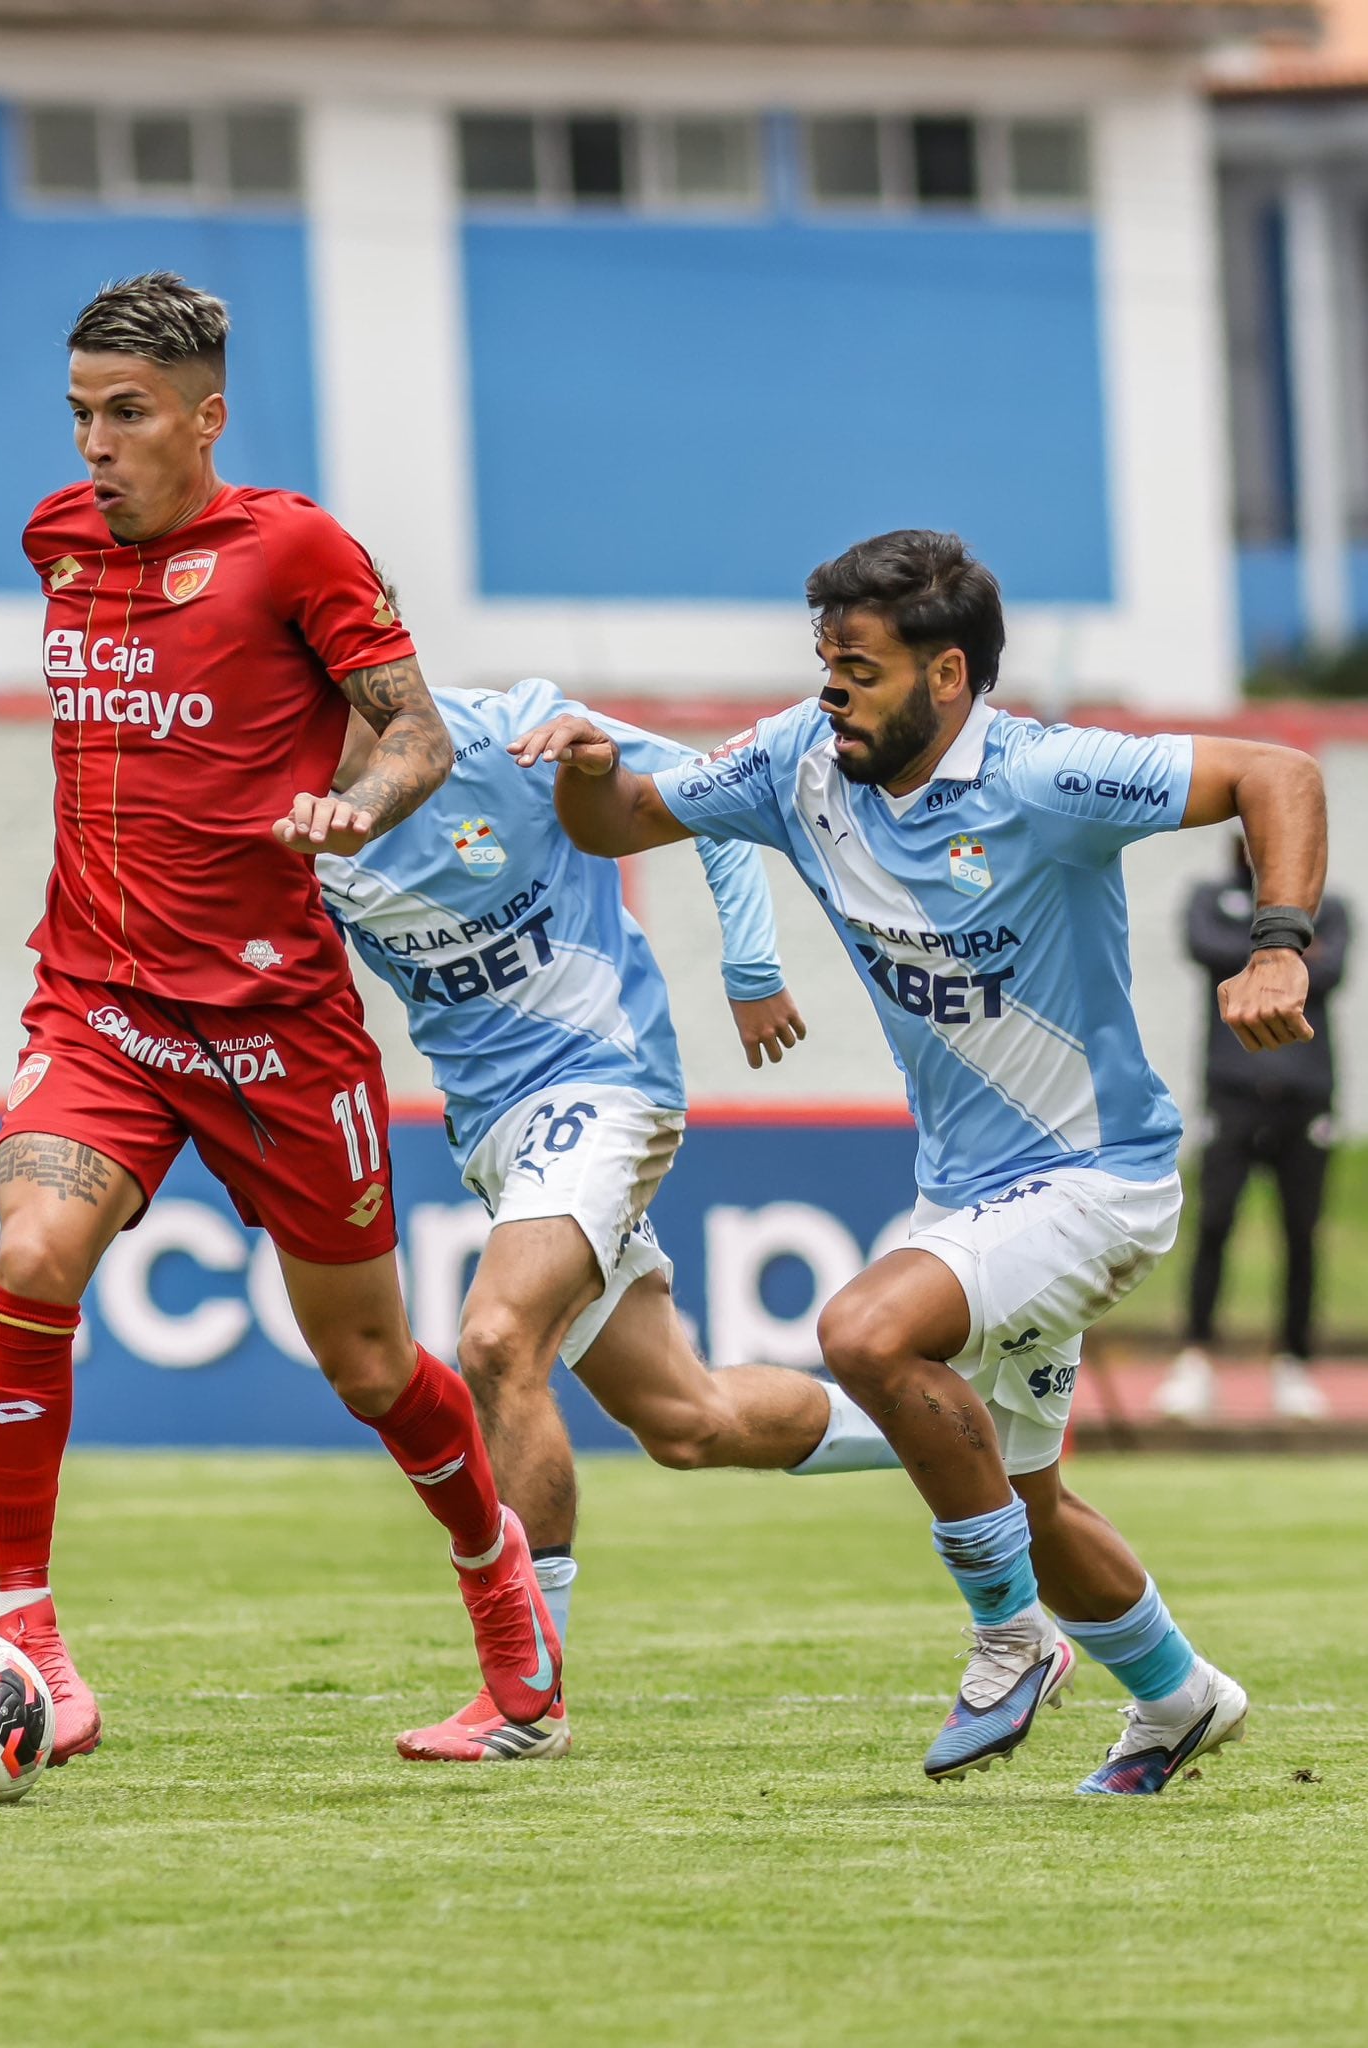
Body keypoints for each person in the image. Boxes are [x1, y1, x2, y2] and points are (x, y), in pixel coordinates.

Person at [514, 528, 1326, 1795]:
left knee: (867, 1331)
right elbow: (618, 821)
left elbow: (1279, 768)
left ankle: (1010, 1643)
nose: (832, 692)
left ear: (950, 676)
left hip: (1098, 1175)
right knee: (1033, 1506)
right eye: (825, 662)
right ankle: (1180, 1696)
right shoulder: (799, 758)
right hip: (967, 1192)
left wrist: (1279, 945)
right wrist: (589, 767)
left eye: (862, 670)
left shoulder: (1050, 772)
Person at [0, 271, 559, 1766]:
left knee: (370, 1368)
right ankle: (30, 1639)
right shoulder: (55, 544)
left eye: (129, 415)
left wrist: (354, 808)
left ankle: (499, 1593)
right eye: (82, 414)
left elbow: (413, 726)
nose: (96, 445)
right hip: (98, 999)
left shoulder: (293, 547)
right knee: (34, 1254)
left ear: (206, 417)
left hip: (272, 1019)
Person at [318, 679, 897, 1762]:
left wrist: (755, 966)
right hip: (497, 1131)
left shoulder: (510, 728)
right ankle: (967, 1450)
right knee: (688, 1419)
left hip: (603, 1081)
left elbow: (714, 802)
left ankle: (526, 1696)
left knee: (496, 1338)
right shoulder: (288, 804)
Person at [1155, 838, 1350, 1423]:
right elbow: (1203, 945)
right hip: (1232, 1093)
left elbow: (1331, 970)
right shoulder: (1210, 899)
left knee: (1300, 1232)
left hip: (1306, 1097)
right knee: (1214, 1224)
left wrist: (1259, 951)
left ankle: (1294, 1362)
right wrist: (1285, 950)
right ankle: (1195, 1359)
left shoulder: (1331, 908)